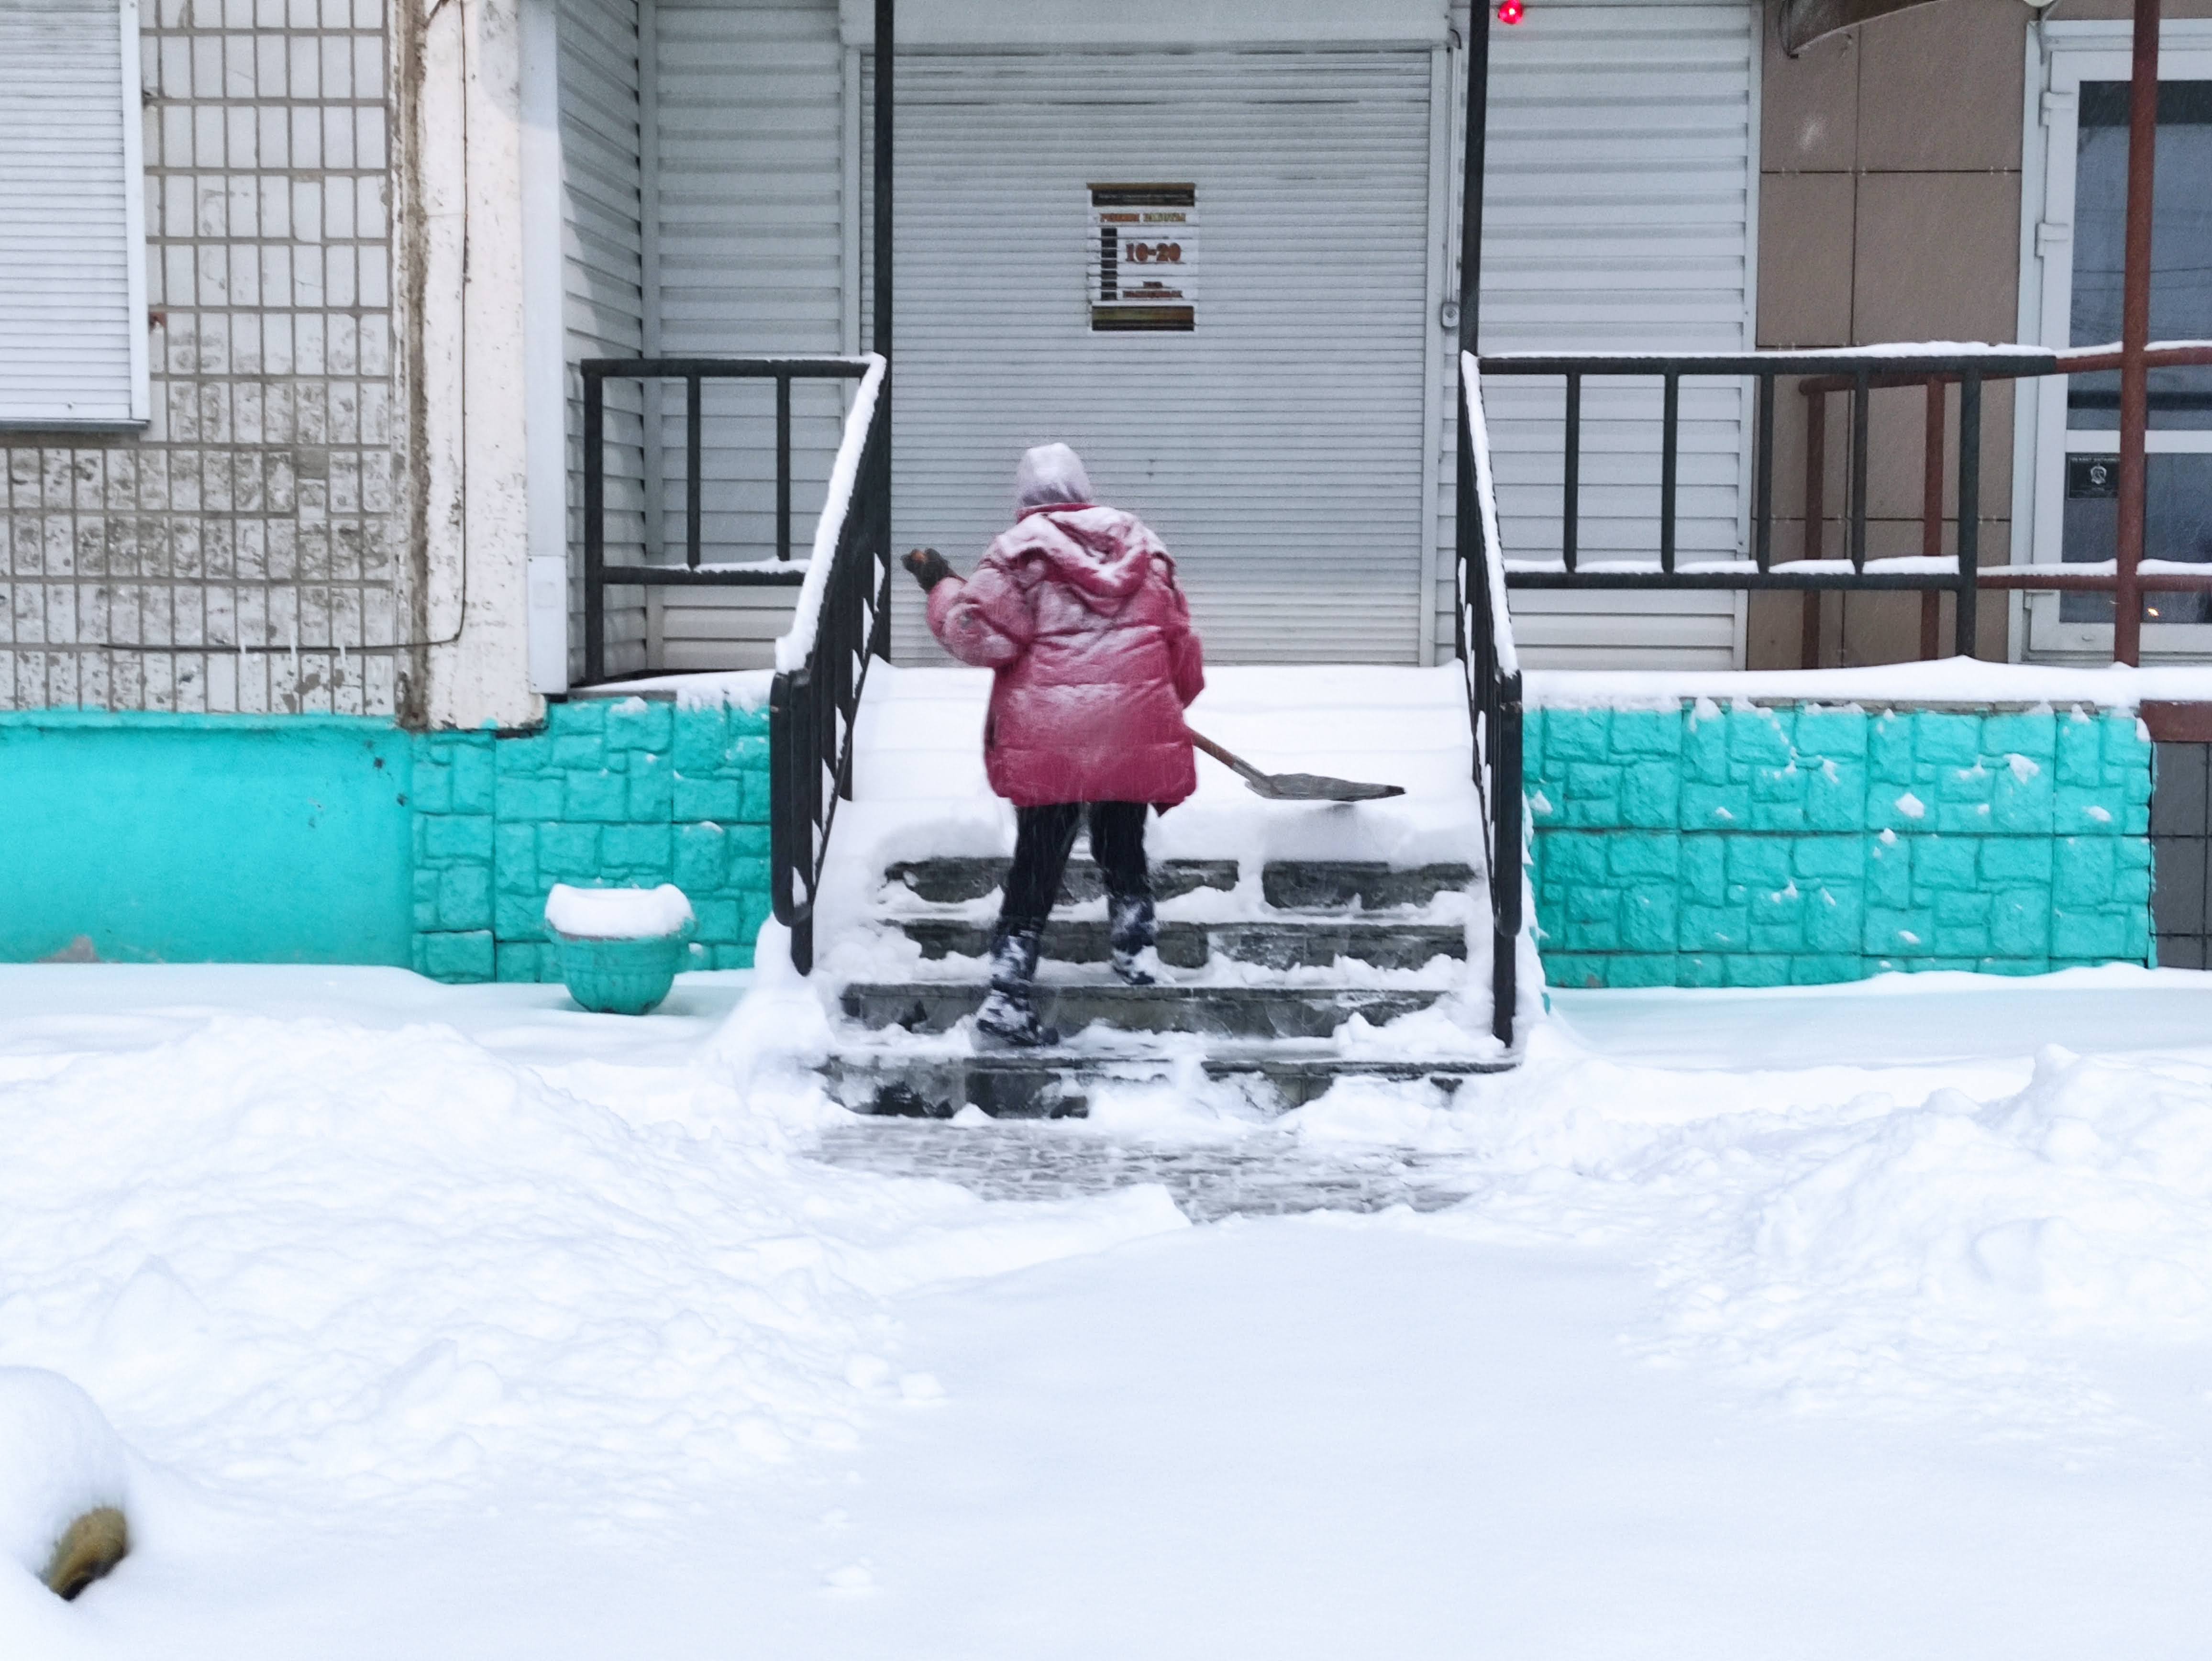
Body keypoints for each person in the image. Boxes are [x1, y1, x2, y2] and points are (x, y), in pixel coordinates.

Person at [902, 443, 1205, 1048]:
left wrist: (941, 584)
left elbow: (976, 636)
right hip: (1130, 723)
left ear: (1024, 497)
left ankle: (1008, 992)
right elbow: (1181, 644)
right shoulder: (1142, 546)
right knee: (1122, 833)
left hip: (1048, 731)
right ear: (1083, 489)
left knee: (1040, 853)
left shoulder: (1016, 554)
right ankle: (1136, 952)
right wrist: (1156, 706)